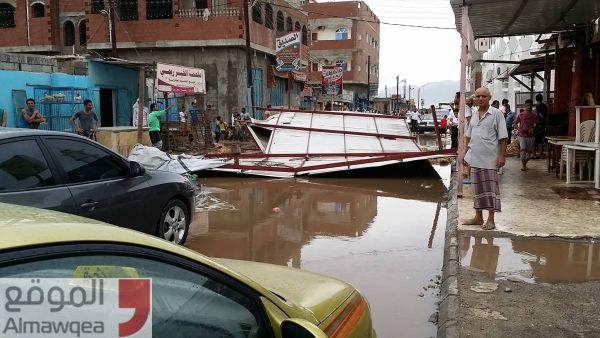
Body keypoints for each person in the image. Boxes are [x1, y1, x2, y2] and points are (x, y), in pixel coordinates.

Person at [464, 87, 508, 230]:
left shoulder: (497, 114)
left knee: (490, 190)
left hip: (490, 159)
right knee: (476, 190)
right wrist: (465, 154)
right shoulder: (474, 115)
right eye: (478, 96)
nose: (481, 98)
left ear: (489, 98)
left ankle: (490, 219)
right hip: (474, 158)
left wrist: (502, 156)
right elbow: (468, 136)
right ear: (475, 99)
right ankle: (478, 217)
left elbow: (503, 137)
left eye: (484, 96)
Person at [515, 99, 538, 171]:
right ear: (525, 106)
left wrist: (533, 129)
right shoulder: (521, 115)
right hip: (522, 136)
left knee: (528, 151)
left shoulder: (534, 115)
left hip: (531, 136)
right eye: (528, 105)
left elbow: (537, 124)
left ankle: (525, 164)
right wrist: (519, 129)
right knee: (523, 150)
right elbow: (515, 123)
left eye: (530, 105)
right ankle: (523, 165)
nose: (529, 107)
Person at [534, 93, 548, 158]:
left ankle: (540, 153)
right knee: (542, 139)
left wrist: (537, 122)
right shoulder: (545, 106)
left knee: (538, 139)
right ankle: (541, 152)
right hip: (545, 123)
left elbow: (539, 115)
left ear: (536, 99)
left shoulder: (538, 106)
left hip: (540, 124)